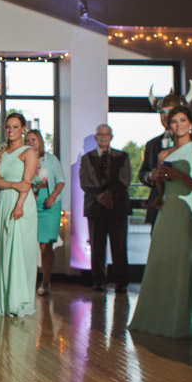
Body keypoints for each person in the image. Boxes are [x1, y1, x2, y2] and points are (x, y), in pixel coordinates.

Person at [129, 106, 192, 338]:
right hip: (166, 210)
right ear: (169, 125)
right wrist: (157, 179)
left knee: (184, 262)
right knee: (161, 261)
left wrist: (180, 176)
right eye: (174, 121)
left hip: (187, 211)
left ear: (191, 124)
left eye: (183, 120)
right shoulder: (162, 155)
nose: (178, 125)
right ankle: (159, 316)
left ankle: (182, 320)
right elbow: (159, 189)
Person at [0, 113, 38, 317]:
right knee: (5, 250)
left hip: (22, 204)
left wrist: (19, 205)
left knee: (20, 251)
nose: (11, 130)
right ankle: (5, 300)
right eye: (8, 127)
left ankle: (21, 302)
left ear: (23, 129)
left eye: (15, 127)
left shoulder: (29, 152)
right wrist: (12, 185)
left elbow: (26, 184)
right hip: (4, 201)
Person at [139, 90, 192, 222]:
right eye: (162, 112)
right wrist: (150, 176)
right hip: (160, 205)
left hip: (190, 204)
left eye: (171, 111)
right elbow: (142, 173)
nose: (166, 116)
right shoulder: (153, 144)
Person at [78, 124, 131, 294]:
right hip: (95, 208)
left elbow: (125, 180)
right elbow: (84, 183)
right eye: (100, 134)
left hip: (118, 207)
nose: (103, 137)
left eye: (106, 134)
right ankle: (98, 280)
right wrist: (101, 197)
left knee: (119, 246)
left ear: (111, 137)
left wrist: (109, 196)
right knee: (97, 245)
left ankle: (121, 282)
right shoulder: (86, 158)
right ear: (95, 137)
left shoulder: (123, 156)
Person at [27, 128, 64, 296]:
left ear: (40, 141)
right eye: (27, 140)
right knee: (27, 244)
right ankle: (27, 281)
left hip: (49, 203)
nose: (30, 143)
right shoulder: (24, 159)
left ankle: (46, 281)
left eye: (33, 140)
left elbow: (61, 181)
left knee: (45, 245)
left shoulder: (50, 159)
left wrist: (53, 196)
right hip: (30, 201)